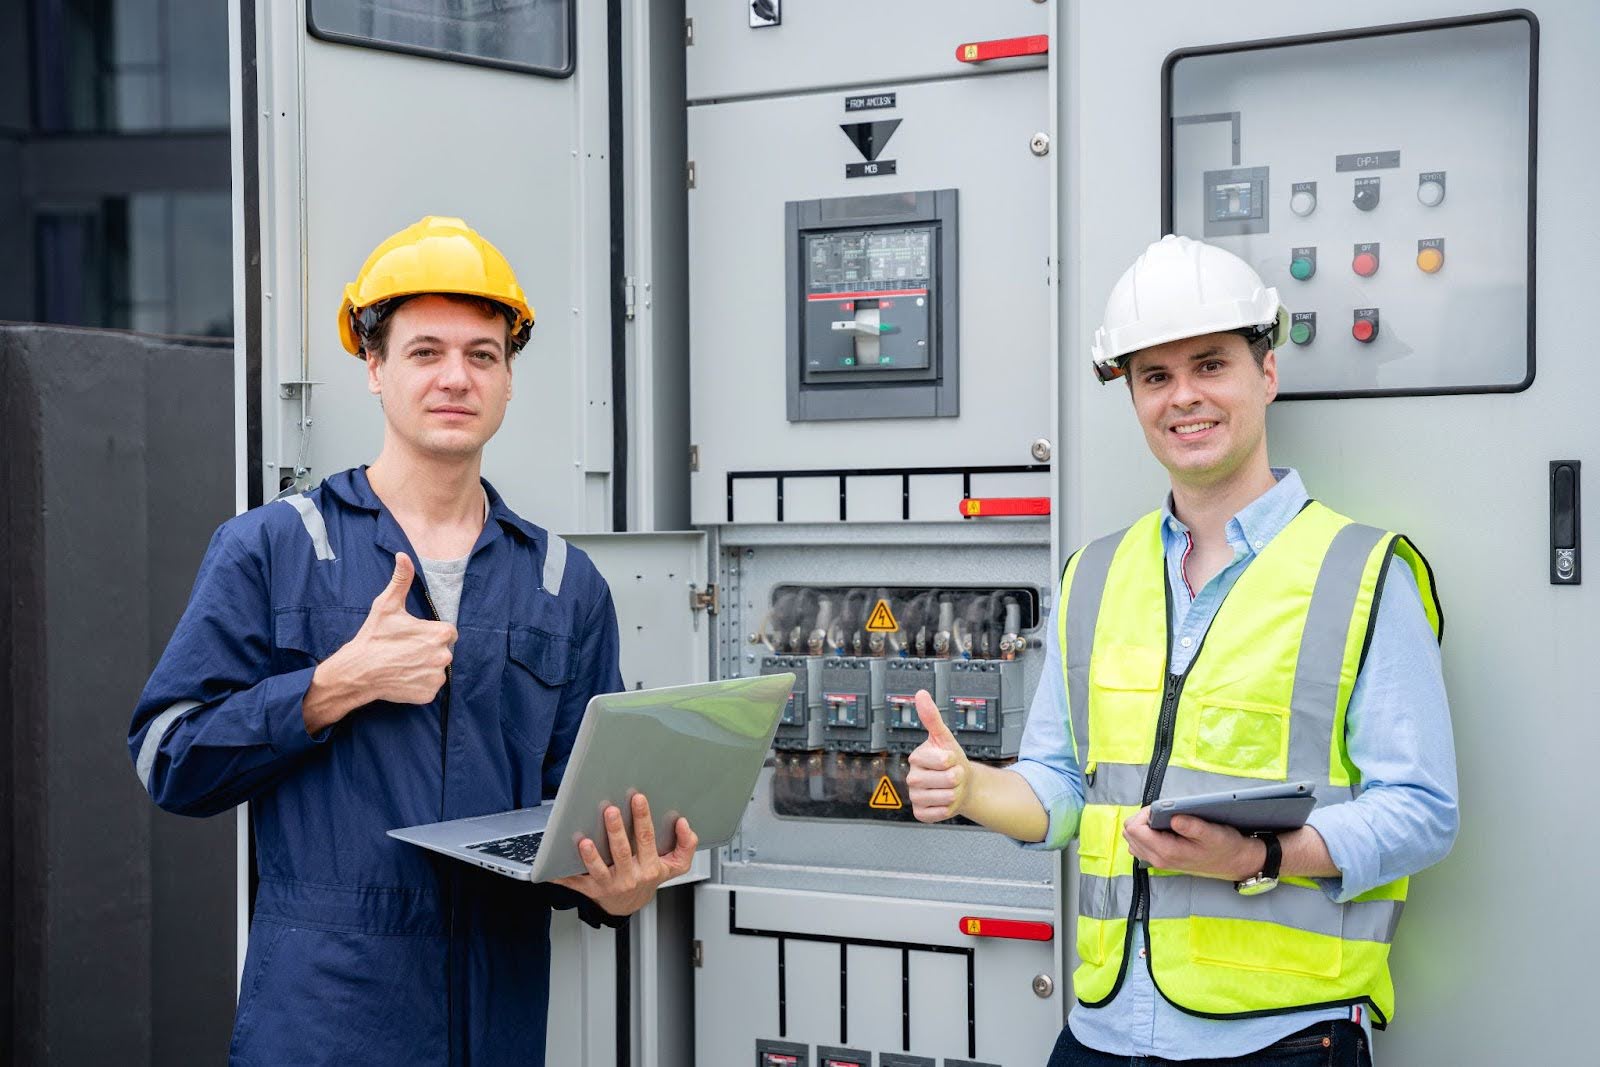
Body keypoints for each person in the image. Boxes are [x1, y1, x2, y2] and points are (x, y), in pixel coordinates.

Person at [128, 216, 697, 1064]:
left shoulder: (562, 580)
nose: (455, 378)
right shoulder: (276, 547)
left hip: (498, 1018)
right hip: (326, 1016)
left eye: (482, 354)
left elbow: (574, 804)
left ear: (508, 380)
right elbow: (167, 757)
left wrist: (618, 888)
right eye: (425, 351)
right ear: (375, 367)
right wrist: (335, 683)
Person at [906, 235, 1457, 1065]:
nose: (1183, 397)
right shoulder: (1093, 575)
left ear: (1265, 374)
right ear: (1130, 395)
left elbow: (1422, 809)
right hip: (1100, 1030)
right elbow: (1060, 786)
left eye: (1210, 365)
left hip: (1284, 1037)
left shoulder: (1364, 573)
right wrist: (972, 786)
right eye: (1155, 377)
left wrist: (1263, 855)